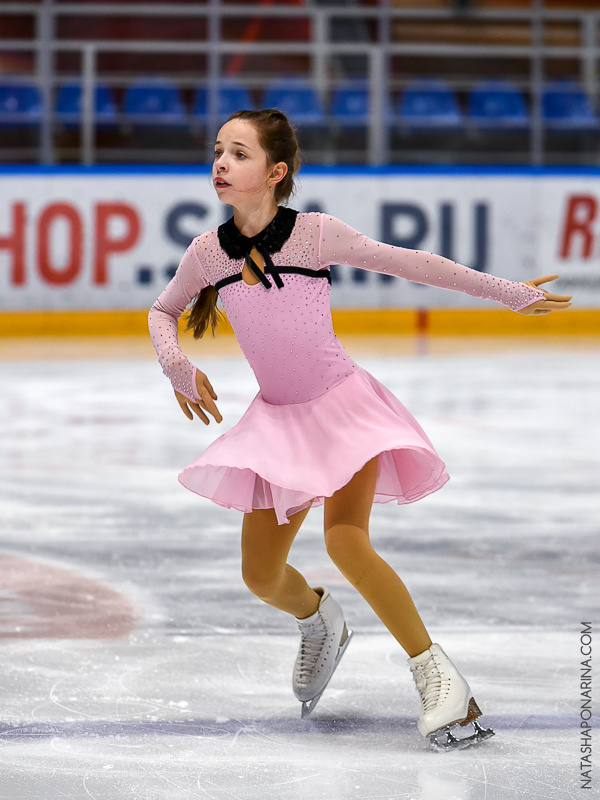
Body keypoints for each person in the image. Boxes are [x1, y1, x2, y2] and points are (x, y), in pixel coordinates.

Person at [148, 109, 571, 750]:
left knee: (346, 539)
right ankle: (320, 618)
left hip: (341, 408)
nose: (221, 164)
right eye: (217, 151)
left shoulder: (314, 235)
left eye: (238, 153)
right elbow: (164, 310)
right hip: (278, 422)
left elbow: (414, 264)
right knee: (260, 575)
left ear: (276, 172)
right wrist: (176, 365)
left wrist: (508, 293)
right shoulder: (207, 253)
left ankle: (439, 679)